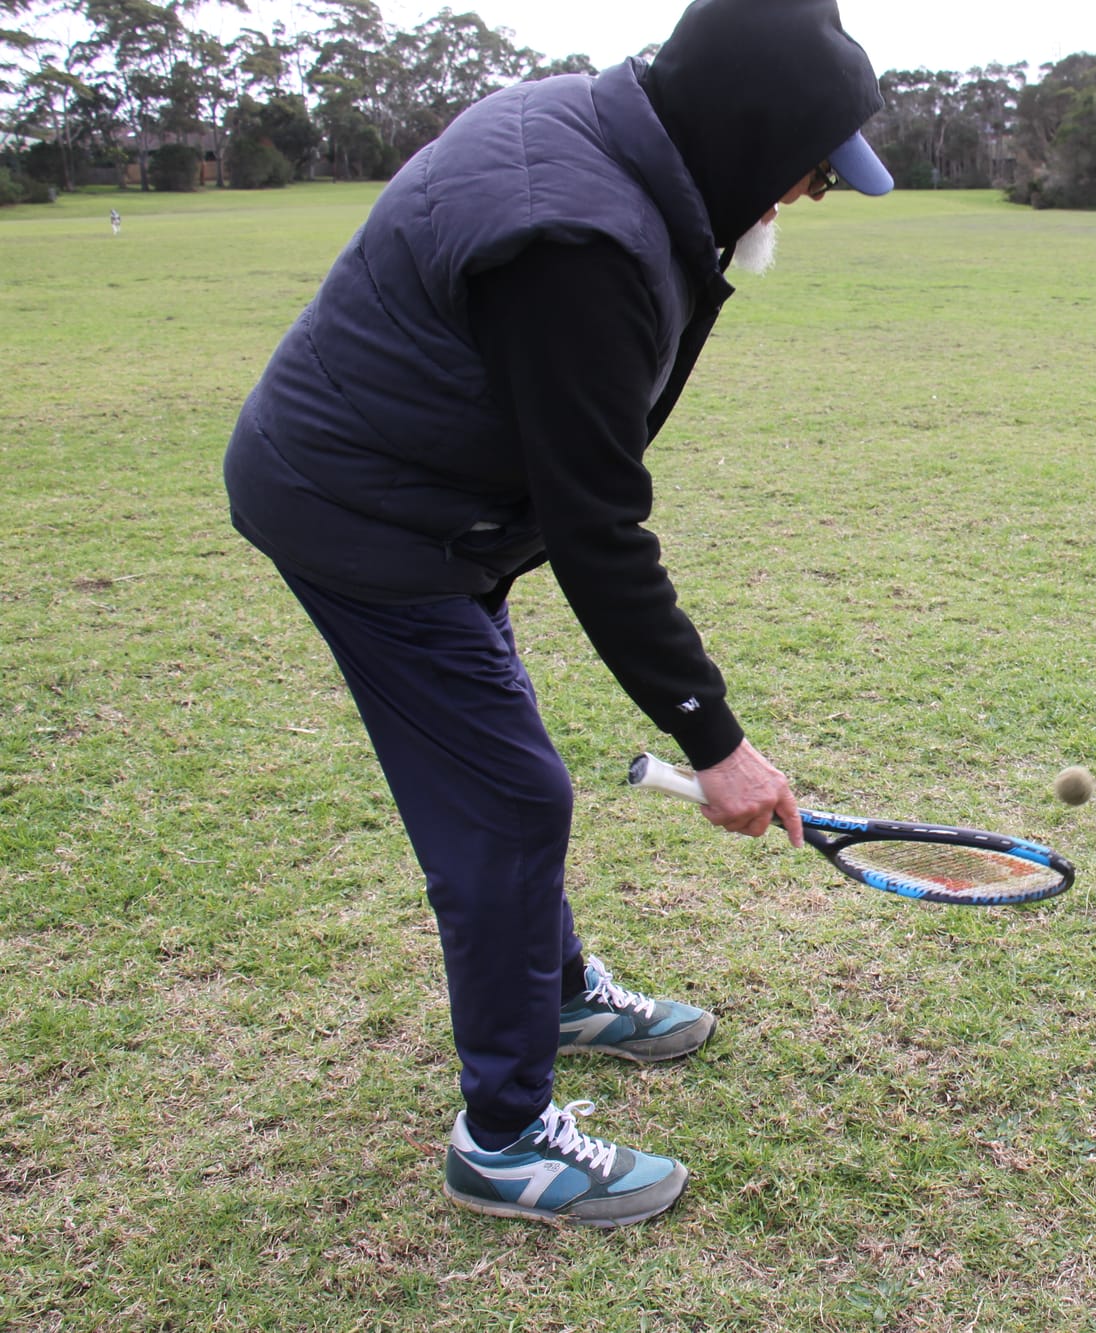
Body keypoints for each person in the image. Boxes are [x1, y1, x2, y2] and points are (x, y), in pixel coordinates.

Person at [222, 0, 893, 1228]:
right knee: (510, 797)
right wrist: (717, 744)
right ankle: (503, 1138)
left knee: (510, 763)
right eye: (810, 167)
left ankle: (562, 989)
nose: (807, 194)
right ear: (749, 134)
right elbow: (598, 525)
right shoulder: (576, 240)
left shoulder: (601, 139)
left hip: (431, 496)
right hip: (358, 511)